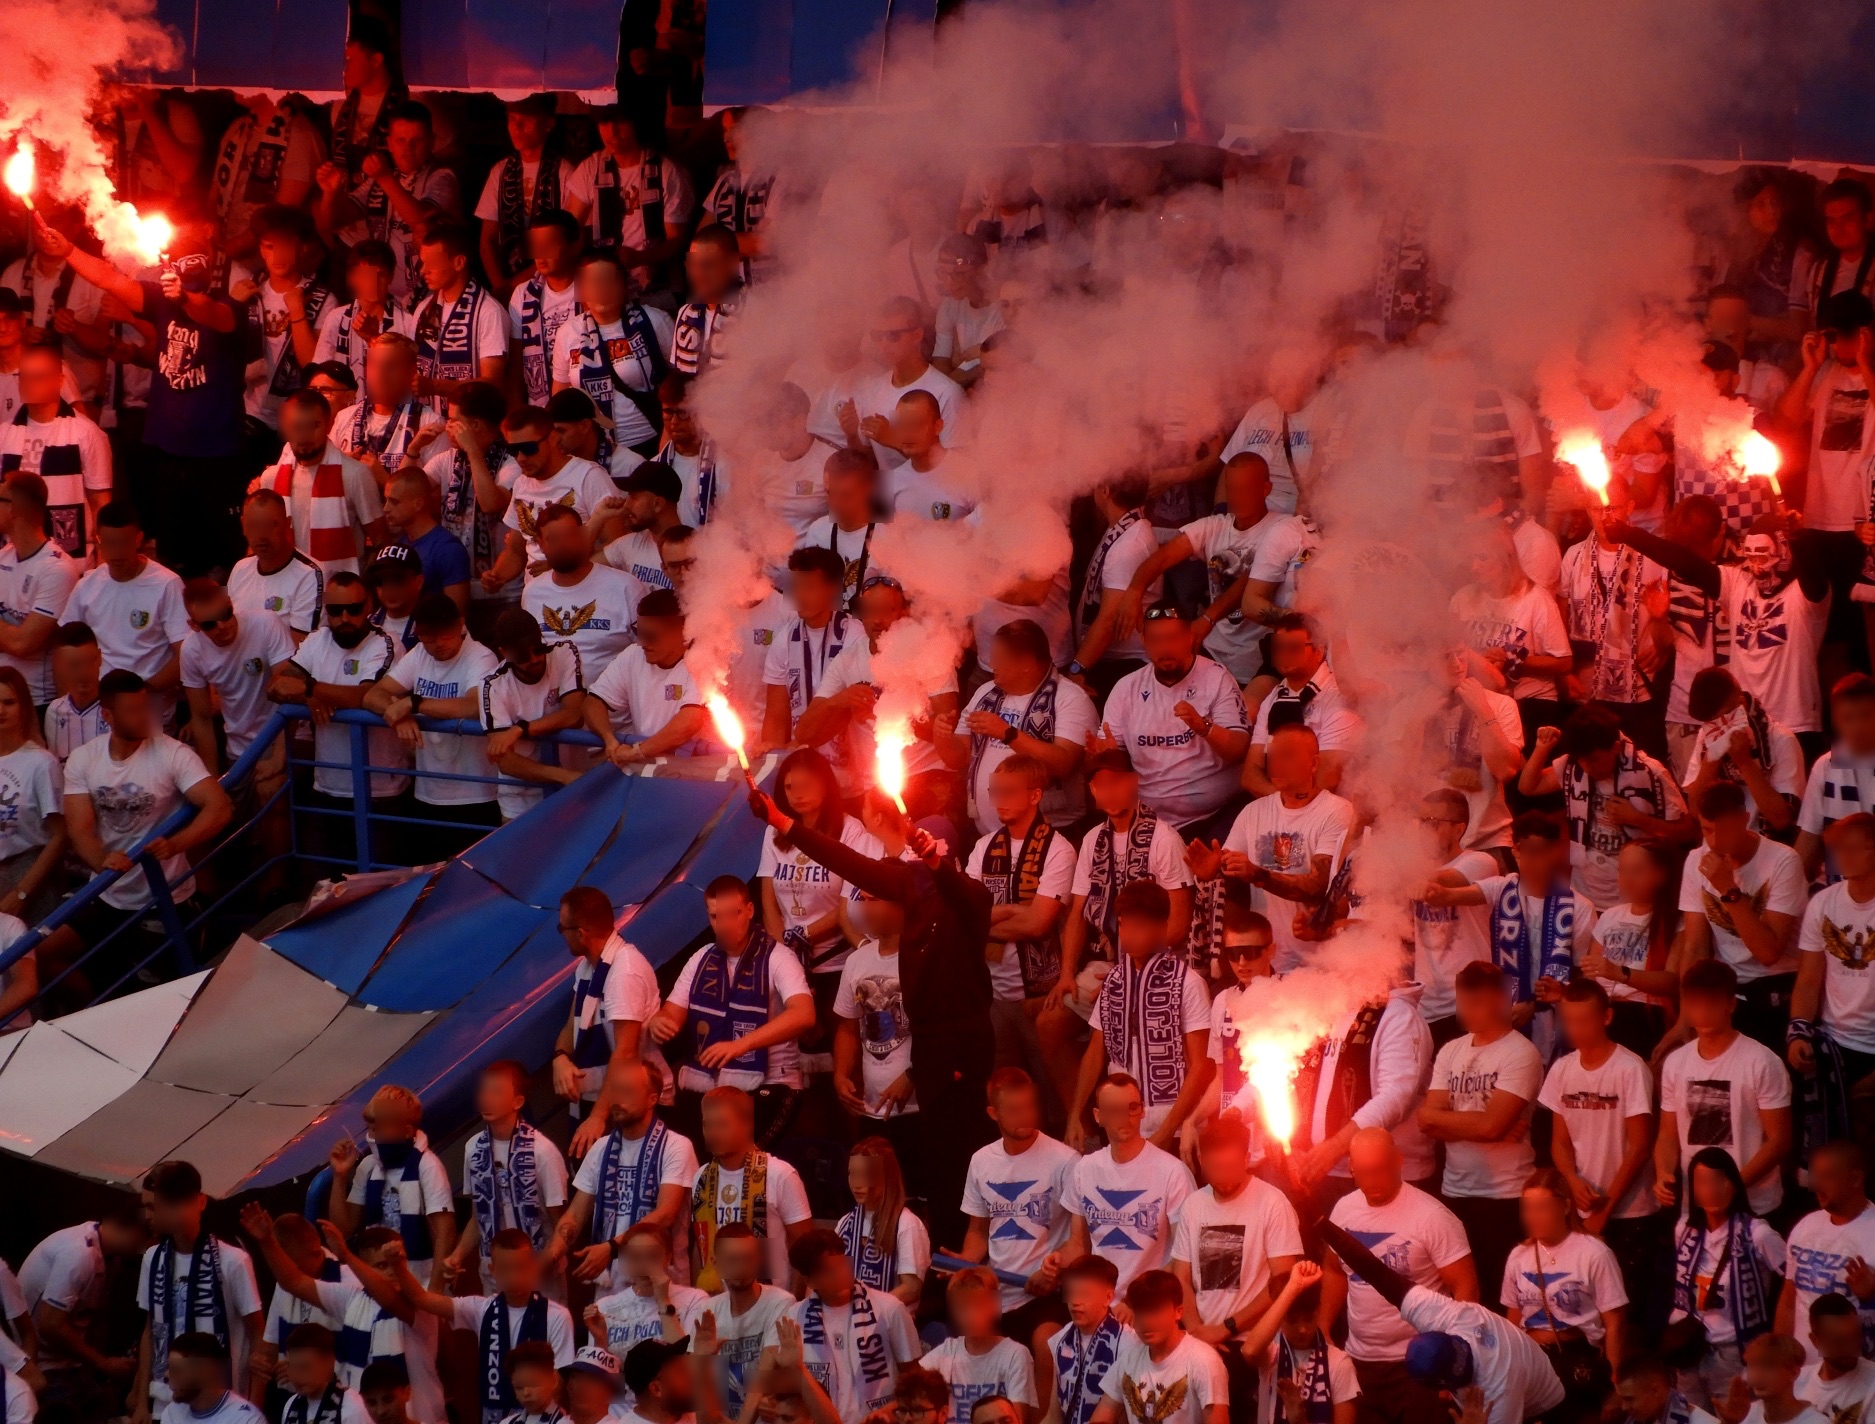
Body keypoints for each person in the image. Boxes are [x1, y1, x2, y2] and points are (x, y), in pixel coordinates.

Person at [747, 778, 999, 1247]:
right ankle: (922, 1255)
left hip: (964, 1047)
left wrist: (935, 862)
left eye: (926, 857)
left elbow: (961, 892)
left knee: (958, 1163)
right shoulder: (910, 886)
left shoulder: (969, 899)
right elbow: (849, 862)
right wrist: (784, 823)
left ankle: (960, 1257)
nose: (907, 873)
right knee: (933, 1166)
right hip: (929, 1049)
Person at [30, 213, 247, 579]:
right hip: (167, 450)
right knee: (174, 556)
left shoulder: (229, 307)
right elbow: (110, 278)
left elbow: (213, 314)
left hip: (216, 454)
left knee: (227, 556)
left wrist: (185, 298)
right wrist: (69, 250)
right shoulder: (161, 302)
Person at [1315, 1217, 1563, 1424]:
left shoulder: (1498, 1391)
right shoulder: (1443, 1315)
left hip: (1546, 1407)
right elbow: (1375, 1271)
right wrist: (1322, 1225)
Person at [1318, 1128, 1479, 1424]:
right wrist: (1324, 1327)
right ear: (1351, 1168)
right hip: (1360, 1360)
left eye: (1380, 1170)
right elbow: (1333, 1269)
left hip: (1418, 1362)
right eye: (1364, 1172)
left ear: (1398, 1160)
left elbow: (1466, 1288)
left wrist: (1454, 1363)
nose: (1373, 1180)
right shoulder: (1344, 1210)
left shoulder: (1432, 1216)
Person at [63, 670, 232, 949]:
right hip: (108, 891)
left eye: (145, 707)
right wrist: (103, 862)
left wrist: (176, 844)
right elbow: (78, 829)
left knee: (152, 969)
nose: (144, 716)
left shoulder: (173, 753)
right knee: (47, 953)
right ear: (107, 716)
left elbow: (220, 808)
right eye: (132, 710)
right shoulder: (83, 758)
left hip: (166, 894)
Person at [642, 874, 816, 1132]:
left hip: (772, 1083)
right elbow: (671, 1014)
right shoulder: (701, 958)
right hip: (711, 1086)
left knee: (731, 1144)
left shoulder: (778, 957)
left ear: (749, 910)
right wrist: (659, 1023)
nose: (723, 925)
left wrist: (740, 1045)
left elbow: (804, 1015)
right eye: (715, 917)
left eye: (731, 914)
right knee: (682, 1141)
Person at [1419, 961, 1545, 1309]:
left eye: (1476, 1003)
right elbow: (1425, 1121)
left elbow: (1492, 1126)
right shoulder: (1451, 1050)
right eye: (1462, 1002)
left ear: (1501, 1000)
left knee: (1502, 1299)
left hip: (1505, 1195)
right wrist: (1485, 1125)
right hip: (1455, 1192)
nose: (1466, 1011)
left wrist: (1464, 1123)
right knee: (1461, 1296)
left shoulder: (1521, 1053)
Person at [1421, 812, 1597, 1061]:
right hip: (1504, 1016)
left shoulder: (1580, 907)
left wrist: (1536, 1003)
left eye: (1541, 851)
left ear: (1555, 853)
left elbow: (1585, 975)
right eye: (1527, 851)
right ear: (1515, 851)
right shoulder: (1501, 888)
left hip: (1558, 1022)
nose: (1534, 861)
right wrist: (1426, 887)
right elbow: (1446, 896)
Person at [268, 572, 408, 863]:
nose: (344, 617)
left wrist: (310, 687)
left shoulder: (386, 643)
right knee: (325, 881)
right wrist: (309, 695)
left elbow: (366, 696)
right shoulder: (317, 640)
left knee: (379, 881)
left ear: (368, 606)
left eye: (353, 609)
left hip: (379, 790)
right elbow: (277, 686)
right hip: (326, 787)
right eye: (335, 610)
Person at [1167, 1114, 1301, 1410]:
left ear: (1246, 1158)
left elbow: (1282, 1283)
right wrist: (1196, 1330)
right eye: (1215, 1168)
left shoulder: (1272, 1203)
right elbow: (1181, 1277)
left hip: (1253, 1342)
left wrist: (1225, 1328)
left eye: (1229, 1167)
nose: (1223, 1177)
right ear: (1201, 1159)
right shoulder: (1193, 1205)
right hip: (1201, 1338)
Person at [1068, 882, 1212, 1150]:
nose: (1128, 935)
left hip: (1173, 1126)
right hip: (1121, 1121)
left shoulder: (1188, 983)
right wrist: (1075, 1113)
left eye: (1139, 926)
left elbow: (1201, 1066)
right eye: (1124, 925)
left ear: (1162, 927)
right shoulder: (1113, 981)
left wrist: (1166, 1132)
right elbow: (1095, 1052)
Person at [1667, 781, 1808, 1053]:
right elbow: (1695, 948)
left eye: (1725, 830)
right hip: (1727, 986)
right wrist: (1686, 1016)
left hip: (1776, 986)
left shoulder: (1783, 861)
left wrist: (1728, 889)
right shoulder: (1696, 860)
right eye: (1708, 830)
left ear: (1745, 819)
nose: (1715, 841)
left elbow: (1768, 953)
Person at [1538, 979, 1656, 1303]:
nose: (1575, 1029)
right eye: (1569, 1020)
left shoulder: (1630, 1068)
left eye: (1584, 1020)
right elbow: (1560, 1142)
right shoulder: (1562, 1069)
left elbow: (1640, 1146)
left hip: (1630, 1210)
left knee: (1626, 1304)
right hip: (1580, 1208)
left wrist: (1605, 1210)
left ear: (1606, 1017)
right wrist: (1571, 1180)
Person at [965, 755, 1079, 1083]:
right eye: (996, 791)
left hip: (1040, 995)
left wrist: (984, 921)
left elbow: (1037, 924)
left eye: (1010, 791)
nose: (1000, 800)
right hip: (991, 992)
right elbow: (963, 916)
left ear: (1035, 795)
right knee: (1001, 1086)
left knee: (1048, 1084)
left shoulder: (1058, 849)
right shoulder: (983, 847)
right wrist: (1012, 910)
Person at [1203, 724, 1353, 972]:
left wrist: (1257, 874)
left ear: (1314, 763)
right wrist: (1212, 871)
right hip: (1265, 960)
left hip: (1318, 962)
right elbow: (1231, 868)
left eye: (1287, 756)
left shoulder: (1337, 811)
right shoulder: (1253, 811)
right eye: (1271, 757)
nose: (1276, 765)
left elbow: (1319, 885)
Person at [391, 1228, 575, 1424]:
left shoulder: (556, 1316)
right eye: (505, 1269)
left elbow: (559, 1380)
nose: (513, 1276)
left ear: (532, 1266)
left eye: (519, 1267)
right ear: (492, 1270)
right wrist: (398, 1266)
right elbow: (422, 1299)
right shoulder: (482, 1309)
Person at [1518, 705, 1689, 913]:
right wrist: (1542, 748)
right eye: (1581, 761)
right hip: (1585, 894)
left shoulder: (1651, 771)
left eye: (1594, 760)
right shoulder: (1573, 765)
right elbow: (1528, 787)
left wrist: (1638, 819)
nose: (1587, 767)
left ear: (1615, 748)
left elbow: (1686, 831)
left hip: (1635, 898)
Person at [1656, 960, 1793, 1220]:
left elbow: (1779, 1140)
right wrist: (1663, 1172)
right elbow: (1667, 1135)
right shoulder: (1675, 1063)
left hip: (1753, 1206)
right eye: (1695, 1004)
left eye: (1711, 1003)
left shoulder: (1761, 1061)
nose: (1703, 1012)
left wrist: (1734, 1186)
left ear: (1730, 1004)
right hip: (1697, 1207)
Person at [1097, 603, 1250, 834]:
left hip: (1215, 815)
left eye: (1172, 638)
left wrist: (1204, 727)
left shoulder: (1216, 677)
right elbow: (1109, 761)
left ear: (1189, 638)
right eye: (1156, 640)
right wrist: (1106, 755)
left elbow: (1239, 749)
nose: (1165, 648)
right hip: (1150, 820)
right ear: (1144, 641)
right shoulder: (1126, 687)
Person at [362, 594, 501, 849]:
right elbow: (373, 695)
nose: (438, 644)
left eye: (445, 635)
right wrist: (398, 715)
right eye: (429, 638)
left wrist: (414, 703)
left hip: (474, 794)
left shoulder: (480, 657)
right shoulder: (419, 654)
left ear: (460, 624)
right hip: (427, 791)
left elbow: (474, 705)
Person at [958, 1069, 1078, 1358]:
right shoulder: (981, 1161)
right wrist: (964, 1263)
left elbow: (1080, 1238)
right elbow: (978, 1231)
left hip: (1046, 1292)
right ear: (993, 1113)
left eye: (1029, 1107)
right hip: (996, 1292)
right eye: (1014, 1110)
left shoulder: (1065, 1160)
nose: (1025, 1116)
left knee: (1046, 1345)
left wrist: (1051, 1270)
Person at [552, 1056, 696, 1293]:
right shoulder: (601, 1147)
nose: (617, 1100)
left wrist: (611, 1248)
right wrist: (551, 1256)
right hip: (609, 1287)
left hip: (662, 1286)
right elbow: (575, 1215)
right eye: (615, 1091)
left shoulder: (677, 1146)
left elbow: (665, 1215)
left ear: (652, 1099)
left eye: (627, 1092)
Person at [941, 619, 1096, 838]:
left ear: (1026, 663)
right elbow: (958, 758)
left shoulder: (1070, 698)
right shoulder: (985, 693)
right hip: (988, 838)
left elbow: (1063, 764)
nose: (991, 664)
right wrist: (942, 736)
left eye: (999, 659)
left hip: (1048, 837)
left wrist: (1008, 733)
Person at [134, 1162, 265, 1419]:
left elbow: (258, 1335)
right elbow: (151, 1330)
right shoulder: (152, 1258)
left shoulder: (233, 1261)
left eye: (153, 1207)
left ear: (198, 1203)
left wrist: (254, 1407)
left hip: (221, 1401)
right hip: (165, 1400)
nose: (147, 1216)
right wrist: (141, 1402)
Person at [1666, 1146, 1785, 1409]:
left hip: (1734, 1351)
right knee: (1691, 1417)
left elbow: (1792, 1282)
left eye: (1718, 1180)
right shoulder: (1684, 1230)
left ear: (1733, 1184)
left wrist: (1774, 1338)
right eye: (1702, 1182)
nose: (1711, 1189)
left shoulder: (1757, 1234)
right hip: (1690, 1348)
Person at [1058, 1074, 1195, 1295]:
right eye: (1115, 1110)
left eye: (1132, 1107)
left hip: (1150, 1302)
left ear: (1142, 1110)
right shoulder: (1084, 1169)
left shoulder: (1173, 1171)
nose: (1126, 1117)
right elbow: (1079, 1245)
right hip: (1101, 1301)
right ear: (1098, 1116)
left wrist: (1136, 1301)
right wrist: (1056, 1260)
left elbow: (1184, 1258)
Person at [768, 1229, 922, 1424]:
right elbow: (785, 1384)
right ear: (810, 1281)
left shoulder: (889, 1309)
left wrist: (887, 1412)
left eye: (842, 1264)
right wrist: (768, 1400)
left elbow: (915, 1380)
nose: (840, 1274)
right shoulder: (795, 1317)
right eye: (828, 1271)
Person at [320, 100, 460, 309]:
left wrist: (384, 178)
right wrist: (330, 194)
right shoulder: (381, 179)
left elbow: (422, 221)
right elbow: (331, 222)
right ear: (389, 143)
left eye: (416, 141)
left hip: (430, 299)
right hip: (384, 299)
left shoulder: (442, 177)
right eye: (401, 140)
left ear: (431, 142)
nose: (407, 149)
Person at [448, 1061, 571, 1297]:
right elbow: (477, 1216)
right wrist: (457, 1255)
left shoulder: (542, 1151)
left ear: (518, 1101)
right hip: (494, 1271)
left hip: (537, 1271)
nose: (486, 1099)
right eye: (484, 1090)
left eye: (496, 1092)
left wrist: (546, 1261)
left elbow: (562, 1221)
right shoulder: (474, 1148)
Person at [1791, 814, 1875, 1153]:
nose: (1843, 856)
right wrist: (1798, 1030)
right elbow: (1809, 980)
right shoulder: (1823, 903)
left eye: (1854, 848)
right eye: (1838, 849)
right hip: (1835, 1043)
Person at [63, 501, 189, 727]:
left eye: (123, 542)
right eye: (109, 543)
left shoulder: (166, 584)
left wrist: (141, 691)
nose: (116, 552)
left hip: (150, 711)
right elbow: (65, 647)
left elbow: (187, 654)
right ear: (98, 540)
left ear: (138, 539)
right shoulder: (87, 586)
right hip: (99, 709)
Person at [1450, 528, 1573, 745]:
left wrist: (1513, 659)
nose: (1474, 566)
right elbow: (1446, 648)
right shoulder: (1463, 599)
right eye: (1470, 558)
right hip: (1481, 700)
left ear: (1506, 558)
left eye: (1483, 557)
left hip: (1530, 702)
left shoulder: (1535, 599)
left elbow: (1564, 662)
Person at [327, 1084, 457, 1288]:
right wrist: (339, 1176)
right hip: (379, 1282)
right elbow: (343, 1229)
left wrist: (434, 1289)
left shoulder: (428, 1166)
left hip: (420, 1280)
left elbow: (445, 1233)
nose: (372, 1135)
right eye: (370, 1128)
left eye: (379, 1128)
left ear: (406, 1131)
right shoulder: (369, 1166)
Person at [1499, 1168, 1628, 1371]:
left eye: (1542, 1208)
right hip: (1531, 1356)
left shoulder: (1594, 1253)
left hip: (1578, 1358)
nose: (1533, 1216)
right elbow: (1513, 1320)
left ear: (1566, 1206)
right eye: (1528, 1208)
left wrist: (1613, 1376)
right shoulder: (1518, 1256)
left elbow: (1615, 1323)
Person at [550, 251, 674, 463]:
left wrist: (668, 438)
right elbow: (561, 399)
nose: (602, 290)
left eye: (609, 281)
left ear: (623, 285)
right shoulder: (568, 333)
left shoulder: (654, 321)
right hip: (594, 450)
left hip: (653, 442)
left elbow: (679, 384)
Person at [251, 389, 386, 580]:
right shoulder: (270, 478)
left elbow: (381, 540)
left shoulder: (355, 474)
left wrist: (361, 586)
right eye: (297, 427)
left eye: (313, 426)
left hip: (338, 592)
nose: (304, 436)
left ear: (329, 424)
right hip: (286, 587)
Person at [20, 1204, 147, 1407]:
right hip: (40, 1363)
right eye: (147, 1239)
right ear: (132, 1230)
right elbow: (50, 1325)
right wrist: (103, 1364)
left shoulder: (110, 1257)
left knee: (108, 1402)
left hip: (69, 1361)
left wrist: (100, 1365)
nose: (146, 1248)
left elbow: (98, 1316)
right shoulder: (79, 1254)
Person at [0, 345, 113, 562]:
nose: (28, 384)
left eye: (38, 377)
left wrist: (103, 556)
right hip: (14, 555)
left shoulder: (85, 432)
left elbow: (100, 500)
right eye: (23, 377)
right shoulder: (4, 433)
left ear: (59, 381)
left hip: (71, 555)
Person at [832, 880, 920, 1155]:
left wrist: (912, 1076)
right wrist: (840, 1074)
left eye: (875, 900)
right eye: (863, 900)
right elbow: (848, 1026)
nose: (865, 909)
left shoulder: (925, 958)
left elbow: (945, 1033)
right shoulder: (856, 961)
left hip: (919, 1110)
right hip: (871, 1110)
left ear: (900, 905)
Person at [236, 206, 330, 457]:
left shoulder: (322, 298)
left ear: (302, 247)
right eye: (269, 246)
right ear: (260, 249)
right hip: (248, 413)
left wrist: (297, 310)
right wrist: (232, 306)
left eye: (285, 246)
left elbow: (311, 364)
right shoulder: (247, 290)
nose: (277, 255)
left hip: (296, 418)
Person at [479, 607, 587, 820]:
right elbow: (505, 761)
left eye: (538, 648)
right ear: (504, 653)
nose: (535, 659)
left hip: (574, 792)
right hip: (521, 801)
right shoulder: (493, 685)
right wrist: (562, 776)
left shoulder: (564, 651)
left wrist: (519, 730)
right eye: (522, 655)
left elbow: (575, 714)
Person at [1773, 1141, 1875, 1366]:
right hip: (1802, 1371)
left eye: (1827, 1177)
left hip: (1856, 1373)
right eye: (1815, 1176)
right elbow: (1789, 1299)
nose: (1816, 1186)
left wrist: (1870, 1296)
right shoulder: (1805, 1225)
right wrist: (1780, 1355)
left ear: (1855, 1178)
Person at [179, 579, 297, 772]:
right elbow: (201, 719)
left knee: (270, 788)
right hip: (237, 750)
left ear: (230, 604)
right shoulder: (191, 650)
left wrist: (278, 758)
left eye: (225, 615)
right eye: (209, 624)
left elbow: (289, 693)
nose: (221, 626)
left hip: (277, 739)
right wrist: (211, 779)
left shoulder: (265, 623)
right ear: (194, 625)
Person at [1084, 1269, 1226, 1424]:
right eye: (1140, 1311)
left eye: (1154, 1310)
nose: (1145, 1321)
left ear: (1178, 1312)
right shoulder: (1129, 1359)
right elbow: (1101, 1418)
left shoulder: (1204, 1361)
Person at [1244, 616, 1363, 797]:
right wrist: (1282, 803)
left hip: (1332, 804)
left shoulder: (1338, 697)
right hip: (1282, 799)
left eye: (1294, 647)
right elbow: (1250, 774)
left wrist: (1288, 803)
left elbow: (1328, 778)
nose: (1284, 654)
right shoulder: (1272, 699)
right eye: (1279, 647)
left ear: (1319, 651)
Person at [475, 96, 578, 303]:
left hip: (551, 286)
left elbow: (567, 240)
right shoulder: (501, 171)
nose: (517, 126)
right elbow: (487, 240)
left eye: (526, 119)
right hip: (504, 285)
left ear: (548, 123)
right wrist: (500, 286)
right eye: (512, 119)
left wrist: (512, 286)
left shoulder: (565, 172)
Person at [521, 504, 643, 679]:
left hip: (613, 693)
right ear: (540, 544)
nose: (562, 545)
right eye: (553, 539)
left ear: (583, 535)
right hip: (555, 694)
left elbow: (645, 651)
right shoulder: (532, 593)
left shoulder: (625, 587)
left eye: (569, 535)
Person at [1068, 479, 1160, 696]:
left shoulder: (1129, 544)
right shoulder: (1125, 528)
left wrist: (1077, 668)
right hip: (1111, 662)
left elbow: (1110, 617)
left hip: (1123, 666)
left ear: (1105, 491)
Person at [1235, 1262, 1360, 1424]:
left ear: (1318, 1311)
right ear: (1280, 1317)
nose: (1302, 1329)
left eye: (1309, 1319)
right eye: (1292, 1321)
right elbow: (1250, 1350)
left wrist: (1299, 1420)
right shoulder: (1272, 1353)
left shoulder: (1339, 1363)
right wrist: (1293, 1286)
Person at [1683, 668, 1803, 835]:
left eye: (1720, 719)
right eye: (1709, 722)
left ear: (1741, 705)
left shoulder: (1780, 739)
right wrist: (1714, 755)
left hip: (1766, 840)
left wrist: (1745, 763)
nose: (1716, 727)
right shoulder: (1708, 734)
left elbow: (1782, 820)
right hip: (1721, 838)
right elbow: (1695, 811)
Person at [693, 1224, 794, 1416]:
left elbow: (764, 1375)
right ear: (716, 1263)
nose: (740, 1268)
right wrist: (701, 1361)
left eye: (747, 1259)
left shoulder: (780, 1303)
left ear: (759, 1260)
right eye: (732, 1260)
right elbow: (694, 1387)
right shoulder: (707, 1309)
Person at [0, 474, 80, 713]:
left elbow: (23, 644)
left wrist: (12, 638)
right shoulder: (3, 557)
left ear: (14, 508)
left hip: (35, 702)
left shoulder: (57, 569)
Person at [411, 220, 511, 412]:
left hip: (471, 422)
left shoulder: (488, 311)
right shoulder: (424, 309)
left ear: (459, 262)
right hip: (427, 421)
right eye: (423, 262)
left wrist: (435, 386)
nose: (423, 271)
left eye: (432, 263)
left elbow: (492, 383)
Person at [920, 1267, 1039, 1424]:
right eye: (963, 1308)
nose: (971, 1316)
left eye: (978, 1306)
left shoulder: (1015, 1354)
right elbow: (910, 1392)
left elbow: (1018, 1419)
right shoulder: (946, 1351)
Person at [587, 1223, 708, 1359]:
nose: (642, 1266)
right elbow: (596, 1368)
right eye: (635, 1257)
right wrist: (600, 1341)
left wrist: (663, 1300)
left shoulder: (694, 1299)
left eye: (651, 1257)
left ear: (668, 1257)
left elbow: (684, 1361)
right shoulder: (604, 1306)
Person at [1797, 675, 1875, 885]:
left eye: (1866, 715)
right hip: (1838, 888)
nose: (1858, 726)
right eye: (1848, 718)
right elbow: (1809, 838)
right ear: (1836, 721)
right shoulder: (1825, 766)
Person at [835, 1139, 928, 1307]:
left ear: (886, 1177)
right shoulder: (845, 1223)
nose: (857, 1183)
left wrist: (865, 1310)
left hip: (887, 1319)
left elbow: (911, 1289)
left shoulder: (907, 1224)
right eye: (852, 1173)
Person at [340, 334, 438, 483]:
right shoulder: (344, 418)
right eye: (374, 365)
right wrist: (340, 467)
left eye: (391, 366)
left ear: (412, 372)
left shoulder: (429, 424)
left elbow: (434, 495)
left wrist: (384, 480)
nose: (380, 374)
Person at [793, 449, 883, 612]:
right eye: (830, 493)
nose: (835, 503)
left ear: (869, 489)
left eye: (845, 495)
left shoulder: (890, 538)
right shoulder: (817, 530)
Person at [509, 210, 583, 408]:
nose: (540, 254)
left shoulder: (592, 287)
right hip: (539, 408)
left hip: (585, 402)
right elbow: (516, 363)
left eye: (549, 245)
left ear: (574, 246)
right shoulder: (523, 294)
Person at [314, 243, 415, 385]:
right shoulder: (336, 318)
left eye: (380, 275)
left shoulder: (408, 323)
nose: (374, 282)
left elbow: (409, 376)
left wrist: (374, 339)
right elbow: (320, 369)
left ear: (390, 277)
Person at [229, 489, 324, 640]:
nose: (262, 534)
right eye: (254, 525)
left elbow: (300, 646)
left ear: (287, 524)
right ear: (243, 526)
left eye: (271, 525)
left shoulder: (309, 575)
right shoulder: (240, 569)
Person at [383, 469, 471, 611]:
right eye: (386, 500)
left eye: (394, 502)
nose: (386, 508)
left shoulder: (448, 550)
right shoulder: (400, 545)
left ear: (418, 504)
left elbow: (455, 614)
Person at [672, 228, 746, 378]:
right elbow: (680, 375)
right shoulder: (686, 313)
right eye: (693, 265)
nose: (699, 274)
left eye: (708, 265)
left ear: (733, 264)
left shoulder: (756, 310)